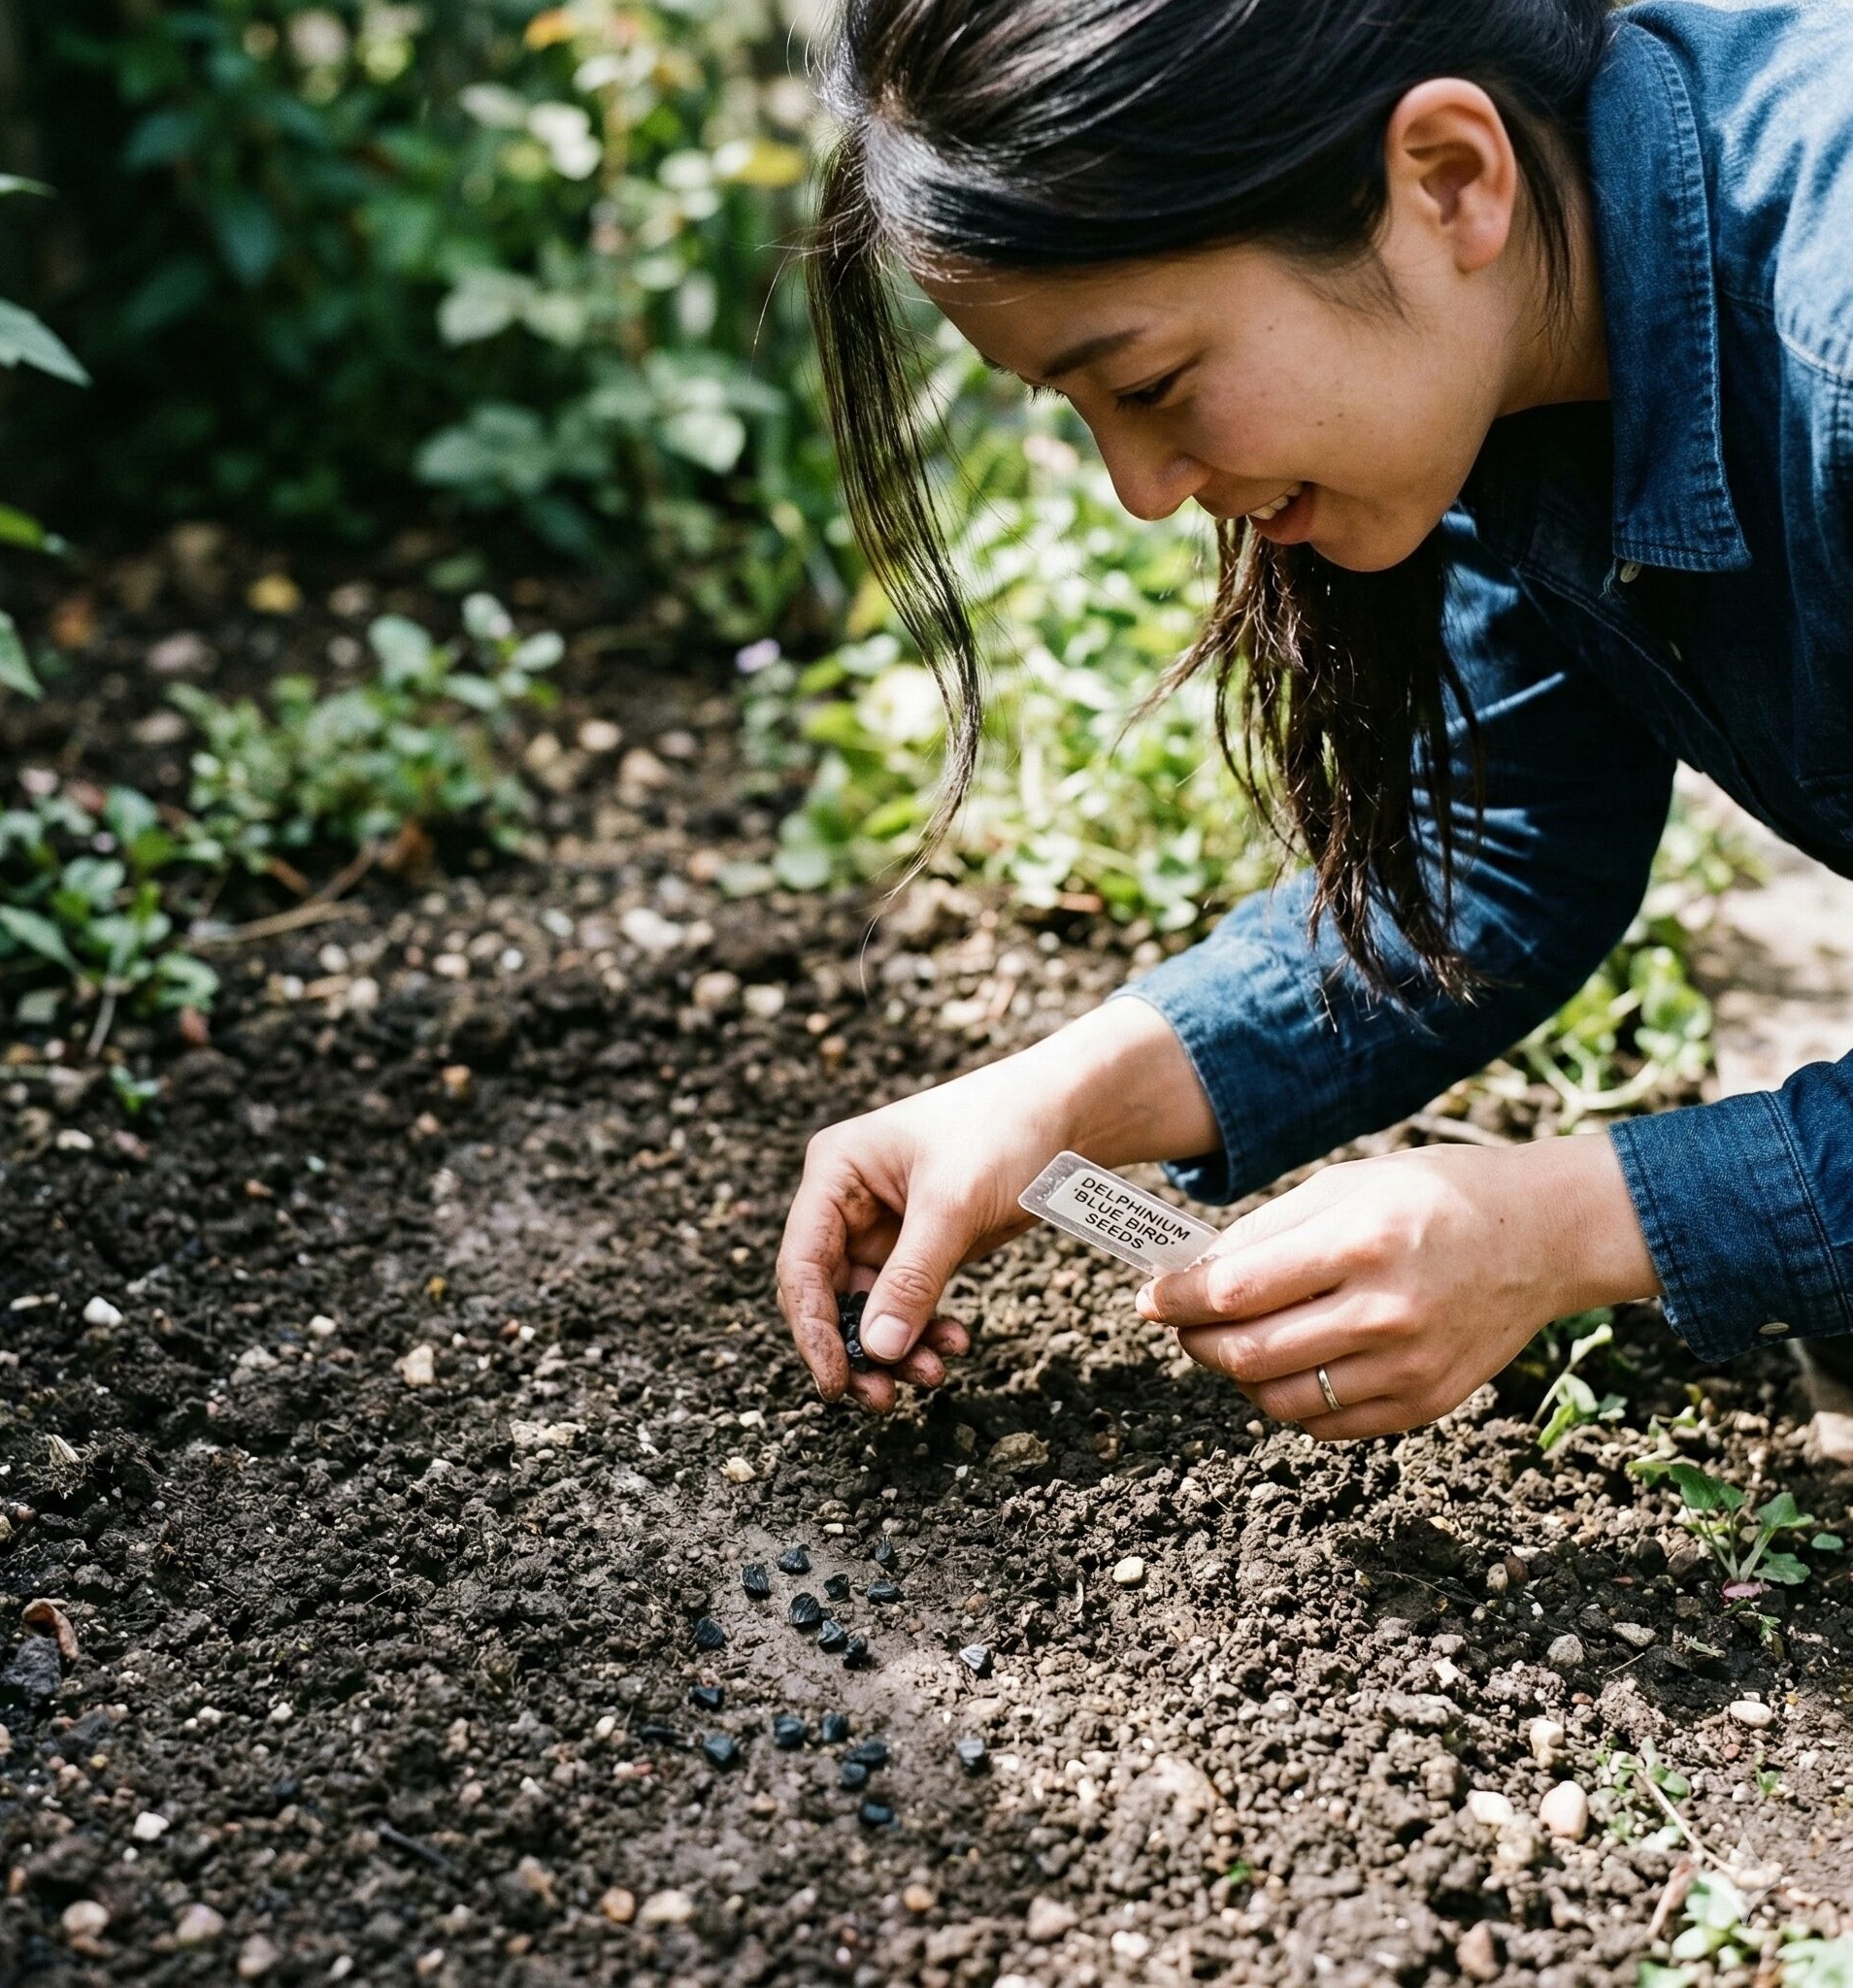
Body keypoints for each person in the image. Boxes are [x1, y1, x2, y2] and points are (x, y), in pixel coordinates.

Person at [774, 0, 1853, 1436]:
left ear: (1450, 179)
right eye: (1077, 410)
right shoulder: (1514, 330)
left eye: (1153, 384)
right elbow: (1499, 848)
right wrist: (1059, 1103)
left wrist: (1567, 1227)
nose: (1142, 490)